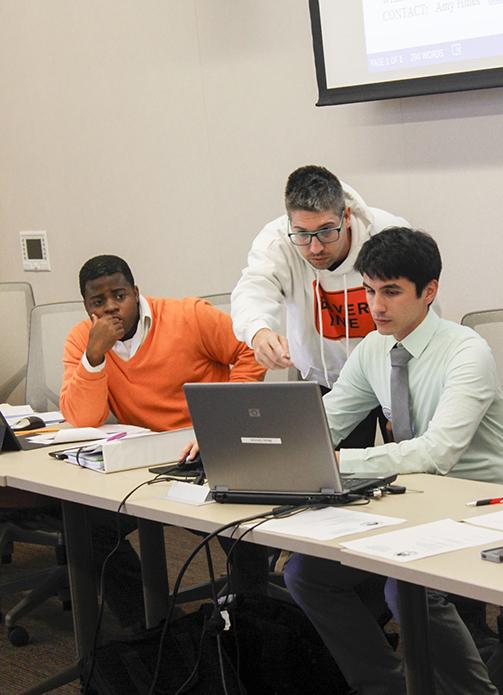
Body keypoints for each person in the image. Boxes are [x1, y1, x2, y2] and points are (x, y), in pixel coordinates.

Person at [284, 227, 503, 695]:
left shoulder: (467, 351)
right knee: (304, 574)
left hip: (476, 504)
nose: (375, 305)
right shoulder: (374, 349)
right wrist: (258, 441)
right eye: (368, 290)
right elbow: (325, 420)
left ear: (429, 292)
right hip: (411, 499)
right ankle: (384, 685)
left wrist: (343, 461)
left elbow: (437, 453)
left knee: (404, 590)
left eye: (391, 292)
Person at [60, 254, 266, 632]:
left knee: (245, 534)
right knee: (87, 527)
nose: (111, 309)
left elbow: (250, 352)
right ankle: (154, 629)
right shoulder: (83, 340)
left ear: (136, 293)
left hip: (209, 451)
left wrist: (219, 423)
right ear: (86, 306)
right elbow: (82, 418)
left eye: (118, 295)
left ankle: (251, 621)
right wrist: (94, 356)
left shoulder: (190, 316)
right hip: (145, 463)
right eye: (98, 302)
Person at [231, 165, 408, 447]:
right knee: (331, 474)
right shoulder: (277, 241)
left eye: (326, 231)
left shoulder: (386, 233)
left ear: (346, 216)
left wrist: (408, 394)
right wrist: (258, 332)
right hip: (327, 382)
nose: (314, 248)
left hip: (394, 379)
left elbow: (419, 313)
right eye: (301, 233)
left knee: (410, 472)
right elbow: (253, 288)